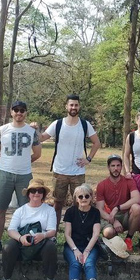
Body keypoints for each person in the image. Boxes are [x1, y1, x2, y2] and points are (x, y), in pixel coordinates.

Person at [0, 100, 41, 253]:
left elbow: (37, 153)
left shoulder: (32, 132)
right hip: (4, 174)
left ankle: (24, 240)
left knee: (26, 209)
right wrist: (5, 162)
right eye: (16, 110)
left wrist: (25, 161)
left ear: (26, 113)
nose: (19, 113)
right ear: (11, 112)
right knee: (0, 209)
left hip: (24, 175)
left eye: (22, 110)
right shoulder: (2, 130)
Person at [41, 94, 102, 223]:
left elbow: (97, 143)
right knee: (57, 204)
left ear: (79, 107)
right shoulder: (58, 124)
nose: (73, 107)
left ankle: (76, 234)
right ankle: (54, 233)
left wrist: (88, 159)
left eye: (76, 105)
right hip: (60, 171)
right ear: (66, 106)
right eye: (71, 105)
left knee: (80, 205)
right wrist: (33, 130)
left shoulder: (85, 124)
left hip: (78, 172)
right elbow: (41, 138)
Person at [0, 179, 59, 280]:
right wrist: (21, 238)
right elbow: (11, 230)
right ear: (28, 194)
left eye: (39, 191)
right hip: (23, 241)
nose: (36, 193)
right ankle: (6, 278)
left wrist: (43, 235)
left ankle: (50, 279)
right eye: (33, 191)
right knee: (8, 247)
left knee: (51, 247)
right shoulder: (20, 210)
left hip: (42, 241)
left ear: (43, 194)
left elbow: (52, 231)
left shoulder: (49, 210)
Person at [64, 184, 102, 280]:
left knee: (89, 262)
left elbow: (96, 234)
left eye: (87, 196)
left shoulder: (95, 213)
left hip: (90, 245)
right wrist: (75, 249)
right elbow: (67, 235)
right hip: (72, 245)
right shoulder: (70, 212)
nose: (84, 199)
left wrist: (86, 251)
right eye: (80, 196)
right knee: (75, 262)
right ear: (76, 199)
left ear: (91, 198)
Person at [97, 154, 140, 252]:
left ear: (121, 167)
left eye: (118, 166)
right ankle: (116, 241)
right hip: (110, 216)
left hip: (125, 215)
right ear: (108, 167)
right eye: (113, 166)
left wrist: (118, 207)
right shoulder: (102, 185)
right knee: (108, 232)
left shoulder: (128, 181)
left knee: (136, 208)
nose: (115, 168)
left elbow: (136, 198)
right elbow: (100, 209)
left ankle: (128, 238)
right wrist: (113, 221)